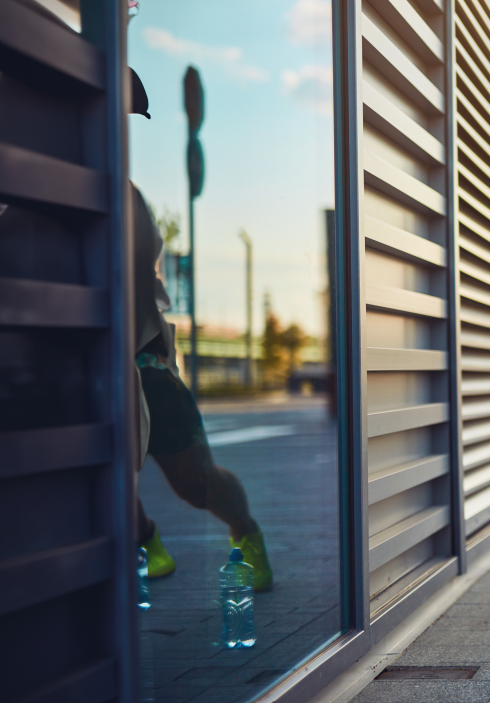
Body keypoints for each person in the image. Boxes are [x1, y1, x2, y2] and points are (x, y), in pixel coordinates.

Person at [128, 67, 274, 592]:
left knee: (197, 484)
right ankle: (144, 540)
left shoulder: (121, 197)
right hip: (73, 372)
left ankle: (246, 533)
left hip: (144, 368)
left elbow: (137, 276)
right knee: (95, 481)